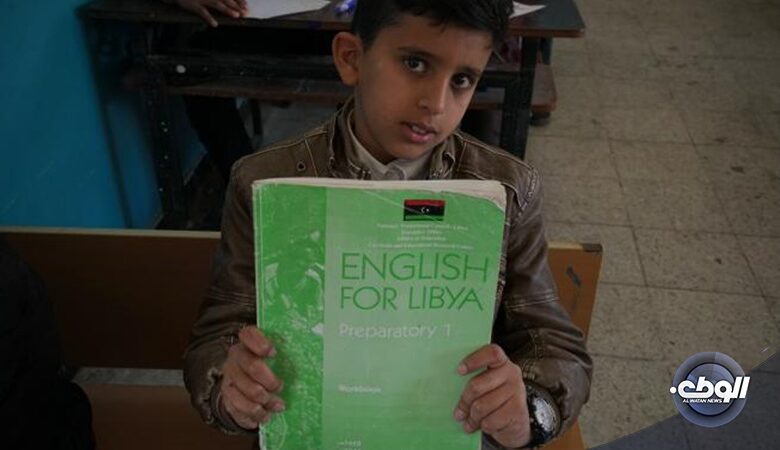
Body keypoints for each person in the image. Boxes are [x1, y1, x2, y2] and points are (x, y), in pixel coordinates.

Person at [183, 1, 592, 448]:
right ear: (351, 58)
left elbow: (553, 344)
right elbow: (217, 335)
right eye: (415, 63)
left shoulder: (506, 190)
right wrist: (232, 387)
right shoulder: (266, 183)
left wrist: (528, 410)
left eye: (462, 80)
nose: (436, 103)